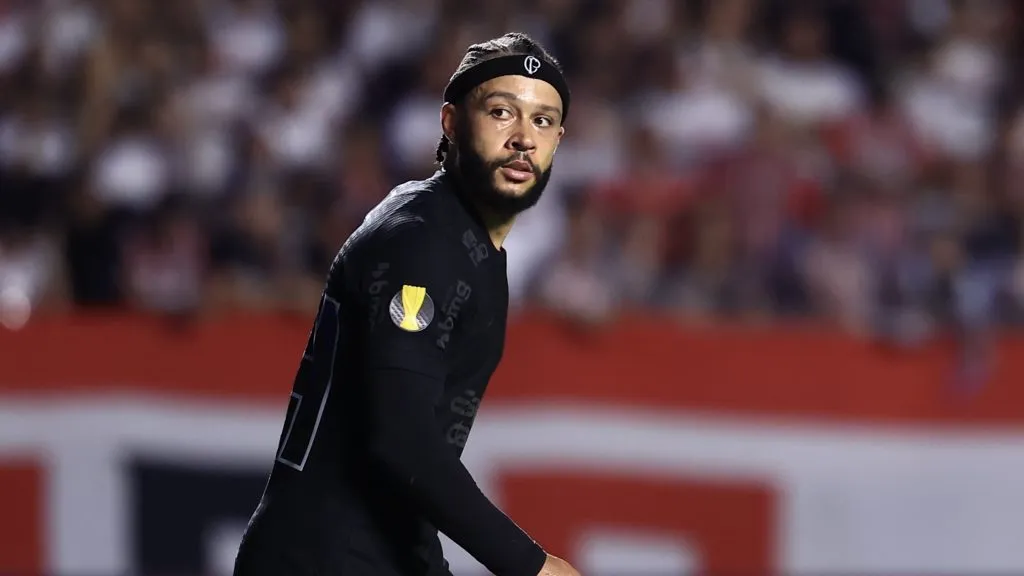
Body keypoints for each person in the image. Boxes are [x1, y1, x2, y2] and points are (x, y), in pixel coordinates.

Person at [233, 32, 581, 576]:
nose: (522, 138)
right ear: (450, 122)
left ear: (558, 140)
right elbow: (402, 439)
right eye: (501, 111)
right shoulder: (424, 242)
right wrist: (532, 566)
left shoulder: (461, 239)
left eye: (541, 121)